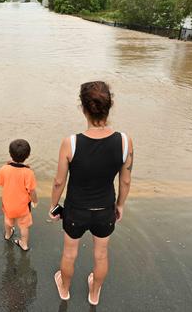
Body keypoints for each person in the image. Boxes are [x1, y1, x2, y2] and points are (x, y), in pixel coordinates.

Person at [49, 81, 133, 306]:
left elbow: (59, 182)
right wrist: (120, 205)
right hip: (105, 210)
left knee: (69, 254)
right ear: (109, 106)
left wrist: (53, 206)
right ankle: (94, 294)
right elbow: (125, 180)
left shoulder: (71, 143)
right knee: (101, 255)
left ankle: (64, 289)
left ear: (83, 108)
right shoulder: (125, 141)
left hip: (76, 211)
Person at [0, 139, 39, 251]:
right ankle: (23, 244)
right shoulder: (28, 172)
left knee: (8, 220)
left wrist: (8, 167)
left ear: (10, 154)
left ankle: (8, 235)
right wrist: (34, 201)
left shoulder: (4, 168)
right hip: (23, 207)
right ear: (28, 155)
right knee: (24, 226)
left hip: (8, 204)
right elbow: (32, 191)